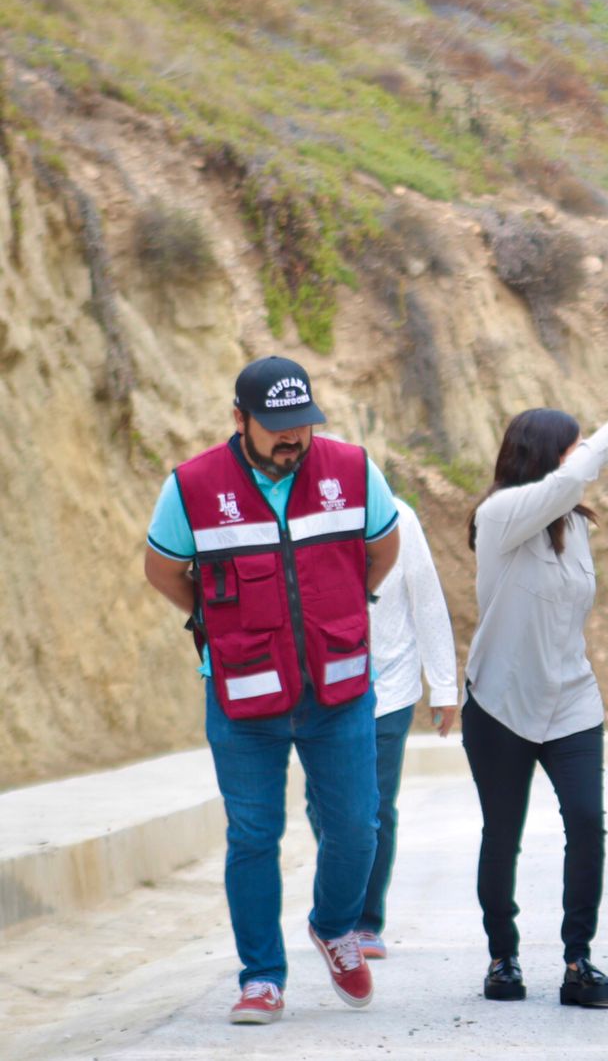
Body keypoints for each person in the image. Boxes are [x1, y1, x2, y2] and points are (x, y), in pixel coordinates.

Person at [143, 356, 401, 1024]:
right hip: (241, 691)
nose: (293, 439)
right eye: (276, 427)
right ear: (240, 420)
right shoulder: (193, 487)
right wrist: (210, 621)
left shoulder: (351, 469)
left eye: (302, 425)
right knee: (254, 835)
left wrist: (344, 606)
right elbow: (164, 569)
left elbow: (382, 547)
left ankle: (335, 925)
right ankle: (261, 976)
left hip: (338, 687)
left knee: (356, 827)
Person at [463, 383, 608, 1007]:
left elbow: (569, 492)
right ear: (544, 457)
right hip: (500, 702)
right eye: (571, 449)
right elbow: (566, 484)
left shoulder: (575, 523)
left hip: (571, 699)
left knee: (588, 825)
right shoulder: (499, 516)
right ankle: (502, 957)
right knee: (503, 832)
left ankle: (578, 961)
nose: (582, 460)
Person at [305, 492, 458, 962]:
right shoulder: (300, 515)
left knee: (374, 807)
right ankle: (340, 901)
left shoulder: (396, 515)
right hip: (319, 689)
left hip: (387, 686)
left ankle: (364, 921)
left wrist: (444, 685)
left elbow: (426, 598)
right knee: (324, 807)